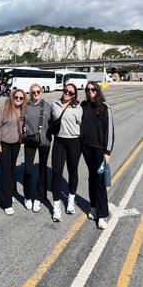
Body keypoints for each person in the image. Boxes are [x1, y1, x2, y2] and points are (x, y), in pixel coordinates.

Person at [80, 82, 114, 230]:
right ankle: (93, 206)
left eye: (93, 89)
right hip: (86, 148)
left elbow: (110, 131)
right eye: (88, 90)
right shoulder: (83, 105)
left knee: (99, 180)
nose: (90, 91)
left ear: (97, 90)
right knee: (91, 178)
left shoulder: (105, 108)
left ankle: (102, 215)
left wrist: (107, 152)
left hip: (99, 150)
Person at [50, 83, 83, 222]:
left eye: (71, 92)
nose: (67, 93)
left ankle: (70, 201)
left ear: (74, 94)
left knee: (72, 171)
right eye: (66, 90)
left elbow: (83, 125)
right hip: (59, 142)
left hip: (74, 142)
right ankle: (56, 207)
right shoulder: (54, 104)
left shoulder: (78, 107)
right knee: (56, 173)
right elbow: (50, 121)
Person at [0, 89, 27, 215]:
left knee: (12, 169)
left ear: (24, 100)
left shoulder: (22, 110)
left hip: (15, 144)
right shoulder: (3, 109)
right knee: (6, 172)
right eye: (16, 97)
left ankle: (10, 192)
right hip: (4, 144)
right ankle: (6, 202)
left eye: (21, 98)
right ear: (12, 97)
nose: (18, 99)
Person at [22, 84, 52, 213]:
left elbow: (54, 122)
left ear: (41, 92)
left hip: (44, 142)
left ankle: (39, 197)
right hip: (30, 141)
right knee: (28, 170)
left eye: (38, 91)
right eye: (33, 92)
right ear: (29, 93)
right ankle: (28, 196)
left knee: (42, 170)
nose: (36, 94)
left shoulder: (47, 106)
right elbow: (19, 122)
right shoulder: (25, 106)